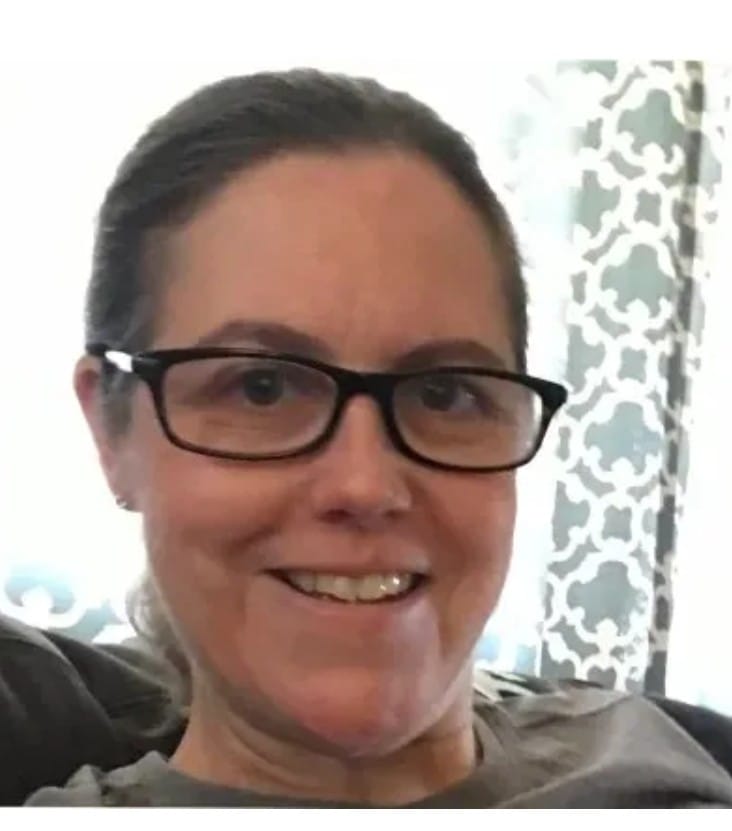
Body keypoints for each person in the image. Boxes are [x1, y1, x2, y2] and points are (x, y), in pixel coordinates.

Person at [25, 69, 732, 808]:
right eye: (261, 388)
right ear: (111, 431)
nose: (364, 485)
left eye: (443, 393)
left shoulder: (659, 754)